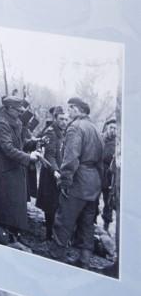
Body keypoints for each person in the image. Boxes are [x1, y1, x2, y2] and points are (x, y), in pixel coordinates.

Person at [50, 96, 104, 269]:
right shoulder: (95, 129)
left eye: (70, 108)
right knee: (87, 225)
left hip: (78, 182)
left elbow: (71, 158)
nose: (68, 112)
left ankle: (56, 260)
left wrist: (65, 181)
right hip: (93, 183)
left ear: (76, 109)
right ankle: (84, 261)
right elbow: (101, 161)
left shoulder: (75, 128)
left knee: (64, 221)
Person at [0, 96, 39, 242]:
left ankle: (13, 236)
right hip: (6, 172)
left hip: (15, 169)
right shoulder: (2, 124)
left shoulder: (16, 122)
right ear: (9, 109)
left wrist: (33, 143)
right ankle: (3, 238)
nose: (21, 112)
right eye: (18, 110)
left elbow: (19, 145)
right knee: (6, 209)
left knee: (14, 209)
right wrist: (28, 158)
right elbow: (7, 148)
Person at [36, 107, 68, 241]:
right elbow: (49, 155)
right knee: (50, 205)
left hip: (59, 172)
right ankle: (49, 234)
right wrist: (55, 171)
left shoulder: (64, 132)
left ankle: (54, 232)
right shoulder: (51, 132)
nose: (64, 122)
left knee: (57, 204)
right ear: (55, 118)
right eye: (61, 119)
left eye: (66, 119)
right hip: (50, 174)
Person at [101, 116, 117, 231]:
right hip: (98, 172)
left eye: (115, 129)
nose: (113, 130)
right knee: (93, 199)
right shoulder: (101, 139)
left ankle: (106, 226)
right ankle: (90, 224)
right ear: (107, 128)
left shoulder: (118, 144)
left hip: (110, 175)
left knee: (108, 201)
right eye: (111, 127)